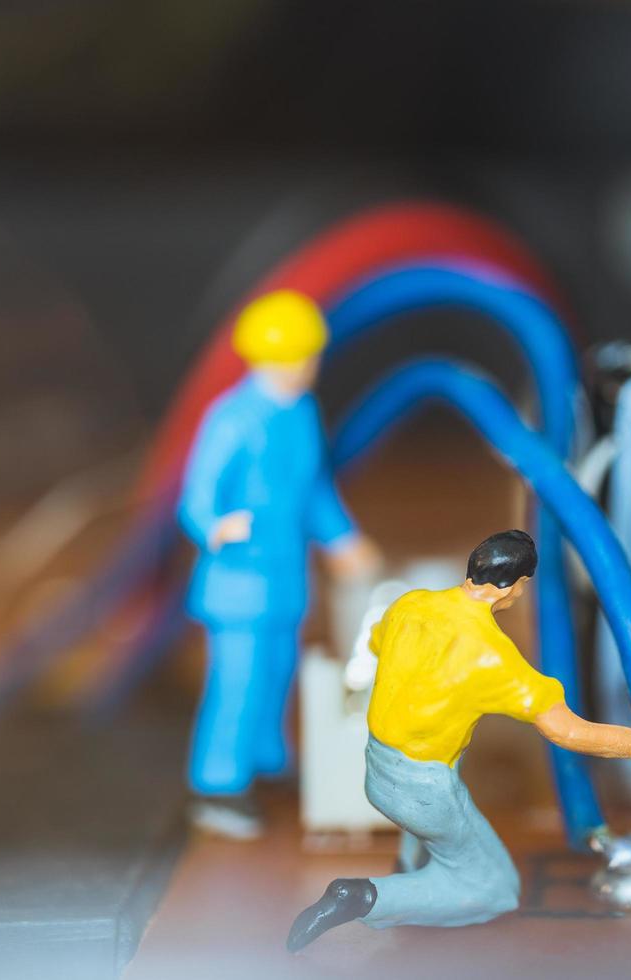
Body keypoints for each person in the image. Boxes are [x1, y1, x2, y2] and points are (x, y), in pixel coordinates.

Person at [287, 529, 631, 951]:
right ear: (514, 586)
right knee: (493, 890)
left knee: (440, 789)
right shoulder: (492, 656)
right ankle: (365, 897)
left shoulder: (410, 604)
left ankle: (410, 864)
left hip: (377, 765)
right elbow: (566, 730)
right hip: (424, 788)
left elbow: (377, 647)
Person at [178, 290, 380, 839]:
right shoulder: (232, 418)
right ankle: (217, 783)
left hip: (286, 579)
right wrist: (215, 526)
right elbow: (196, 496)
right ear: (264, 358)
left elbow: (313, 488)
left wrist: (342, 538)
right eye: (295, 357)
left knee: (278, 676)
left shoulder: (302, 413)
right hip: (237, 583)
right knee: (238, 681)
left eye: (309, 355)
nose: (305, 367)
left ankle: (267, 762)